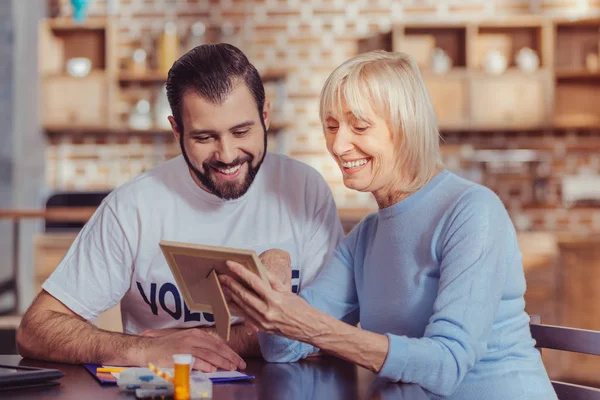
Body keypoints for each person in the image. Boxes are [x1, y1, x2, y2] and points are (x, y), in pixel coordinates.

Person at [219, 50, 558, 399]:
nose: (337, 144)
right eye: (331, 126)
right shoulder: (366, 236)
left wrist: (314, 328)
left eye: (359, 126)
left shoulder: (472, 211)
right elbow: (281, 349)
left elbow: (446, 364)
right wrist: (274, 278)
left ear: (405, 126)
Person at [16, 43, 343, 373]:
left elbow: (332, 329)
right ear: (177, 131)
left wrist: (202, 341)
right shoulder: (133, 206)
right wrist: (139, 349)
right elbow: (35, 330)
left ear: (265, 116)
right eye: (204, 137)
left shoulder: (305, 190)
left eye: (241, 131)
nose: (227, 154)